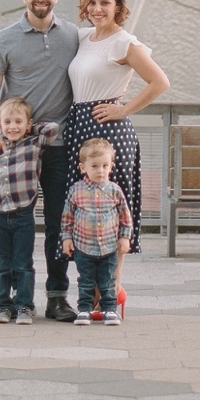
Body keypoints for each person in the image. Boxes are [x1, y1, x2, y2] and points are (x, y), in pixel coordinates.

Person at [0, 0, 80, 322]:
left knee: (57, 223)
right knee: (10, 221)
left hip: (58, 146)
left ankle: (57, 296)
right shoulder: (4, 39)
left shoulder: (73, 35)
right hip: (16, 150)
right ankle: (9, 300)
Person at [65, 0, 170, 292]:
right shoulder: (83, 38)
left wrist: (124, 110)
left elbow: (160, 82)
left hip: (109, 130)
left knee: (109, 211)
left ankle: (110, 290)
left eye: (105, 3)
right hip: (80, 127)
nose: (97, 9)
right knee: (86, 210)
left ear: (118, 7)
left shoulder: (124, 42)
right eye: (92, 2)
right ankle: (91, 289)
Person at [0, 97, 58, 324]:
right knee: (1, 265)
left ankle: (24, 306)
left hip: (22, 216)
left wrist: (31, 128)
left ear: (28, 124)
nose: (13, 127)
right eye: (7, 122)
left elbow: (53, 129)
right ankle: (3, 305)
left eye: (18, 122)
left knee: (23, 264)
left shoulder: (33, 145)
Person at [61, 138, 132, 326]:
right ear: (83, 168)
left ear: (111, 167)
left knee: (108, 280)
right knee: (86, 281)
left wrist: (125, 238)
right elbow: (67, 217)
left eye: (105, 166)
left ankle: (110, 309)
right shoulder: (76, 190)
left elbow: (125, 217)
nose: (100, 170)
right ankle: (84, 309)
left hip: (109, 246)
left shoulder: (115, 191)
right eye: (94, 166)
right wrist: (66, 238)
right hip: (84, 246)